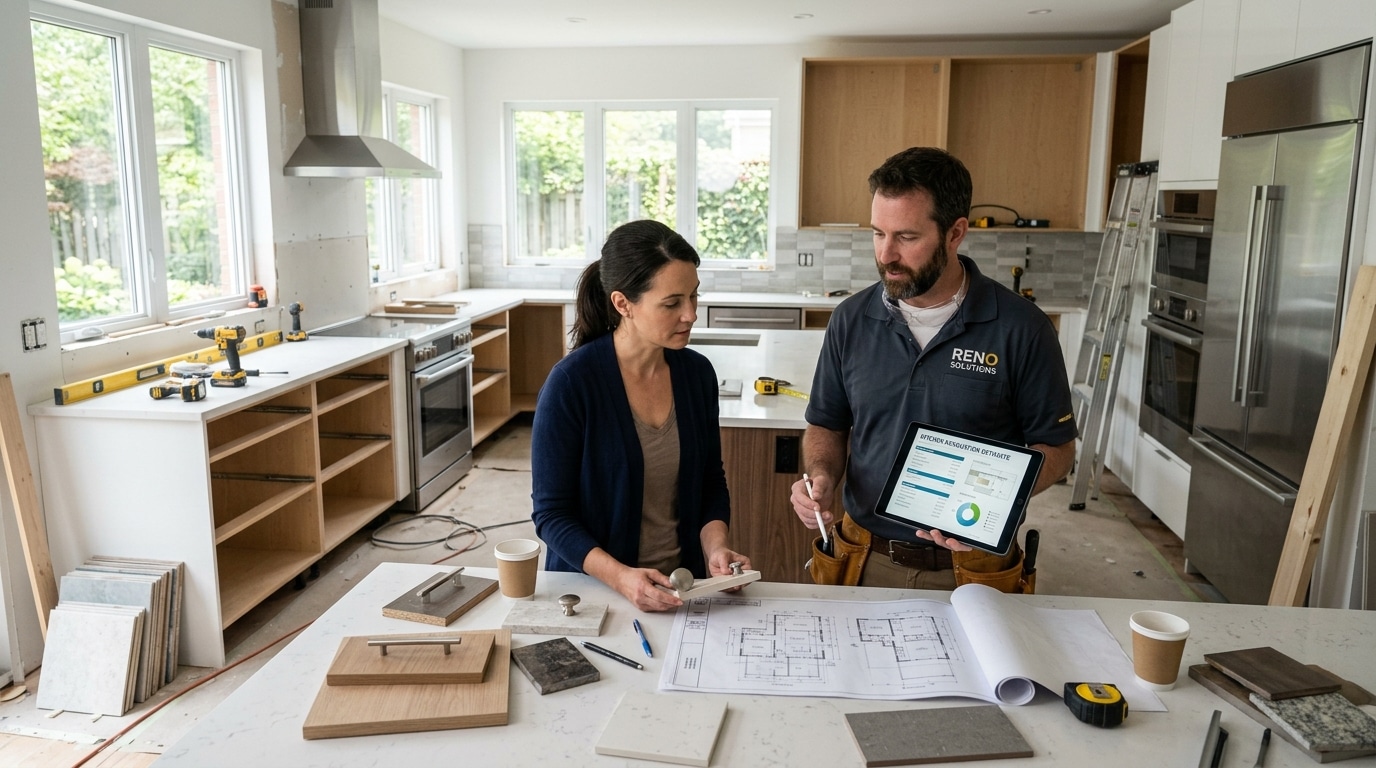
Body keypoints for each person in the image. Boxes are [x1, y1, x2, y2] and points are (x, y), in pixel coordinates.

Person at [789, 147, 1077, 590]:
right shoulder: (850, 319)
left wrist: (991, 499)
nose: (886, 254)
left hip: (973, 567)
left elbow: (1057, 449)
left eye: (906, 237)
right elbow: (826, 424)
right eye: (877, 233)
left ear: (955, 233)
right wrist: (822, 477)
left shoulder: (1022, 328)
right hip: (862, 556)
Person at [531, 219, 752, 611]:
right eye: (672, 303)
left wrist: (715, 547)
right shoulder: (571, 384)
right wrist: (621, 577)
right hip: (593, 594)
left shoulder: (697, 375)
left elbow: (710, 481)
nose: (691, 315)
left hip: (679, 591)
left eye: (694, 297)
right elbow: (551, 515)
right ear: (623, 304)